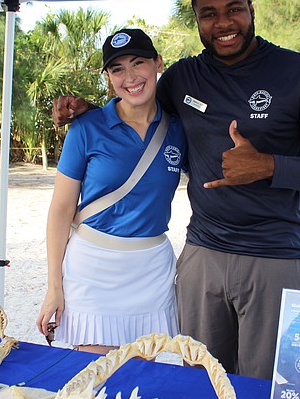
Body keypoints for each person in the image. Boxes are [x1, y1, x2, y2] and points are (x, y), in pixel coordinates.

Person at [53, 0, 300, 377]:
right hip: (202, 257)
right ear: (197, 20)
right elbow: (136, 105)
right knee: (199, 385)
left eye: (233, 9)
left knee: (262, 393)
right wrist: (87, 110)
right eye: (208, 14)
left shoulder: (299, 73)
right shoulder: (183, 77)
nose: (223, 23)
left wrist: (267, 166)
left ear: (252, 8)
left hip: (275, 257)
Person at [37, 28, 187, 355]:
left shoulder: (178, 129)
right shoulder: (86, 127)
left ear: (158, 63)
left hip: (152, 273)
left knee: (144, 385)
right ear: (108, 76)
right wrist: (54, 288)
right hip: (93, 273)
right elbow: (61, 210)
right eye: (117, 69)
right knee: (93, 382)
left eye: (138, 63)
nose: (130, 77)